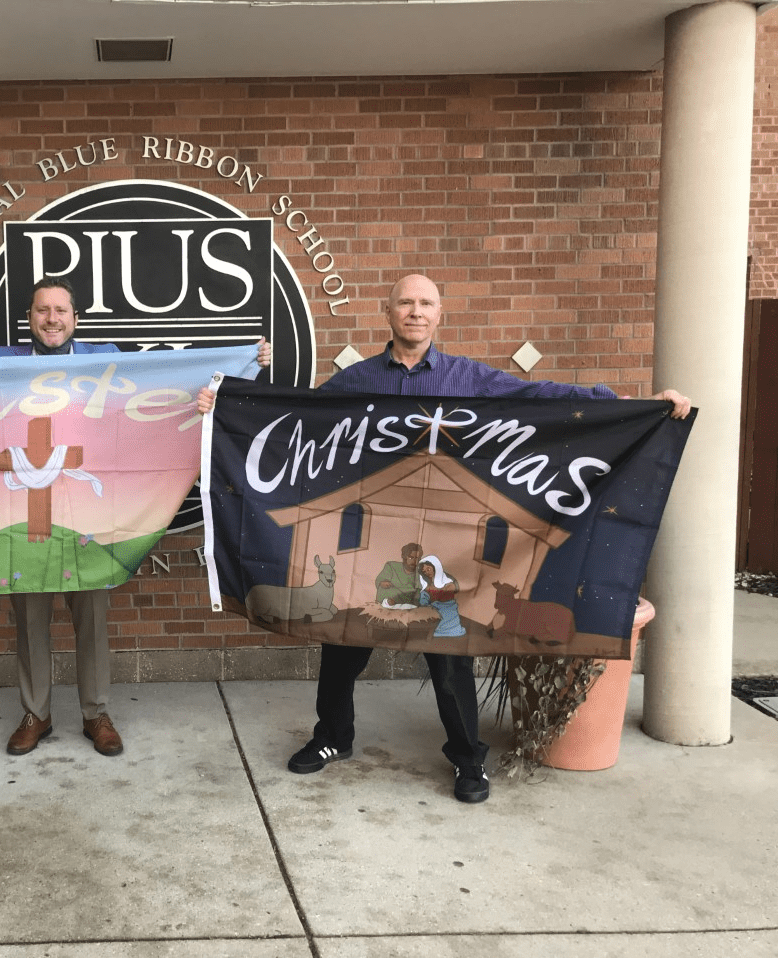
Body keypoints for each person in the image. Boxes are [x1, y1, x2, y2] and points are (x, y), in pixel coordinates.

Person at [199, 273, 690, 803]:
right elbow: (296, 419)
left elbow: (540, 397)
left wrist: (633, 404)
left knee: (451, 651)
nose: (415, 311)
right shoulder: (356, 382)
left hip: (443, 551)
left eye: (425, 303)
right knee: (342, 643)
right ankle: (331, 738)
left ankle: (467, 759)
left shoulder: (468, 378)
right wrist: (223, 405)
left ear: (439, 314)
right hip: (374, 545)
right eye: (405, 302)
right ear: (387, 313)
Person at [0, 277, 270, 758]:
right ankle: (35, 713)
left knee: (93, 619)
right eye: (43, 310)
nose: (52, 319)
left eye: (60, 310)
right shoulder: (4, 362)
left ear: (75, 318)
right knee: (30, 620)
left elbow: (168, 388)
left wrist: (240, 365)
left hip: (89, 519)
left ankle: (95, 712)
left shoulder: (104, 359)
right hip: (20, 513)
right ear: (30, 318)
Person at [376, 542, 422, 607]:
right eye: (411, 558)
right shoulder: (391, 566)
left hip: (407, 601)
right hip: (389, 599)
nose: (414, 561)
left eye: (417, 558)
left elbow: (418, 592)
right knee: (384, 590)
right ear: (404, 557)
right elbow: (379, 581)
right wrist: (382, 583)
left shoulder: (419, 573)